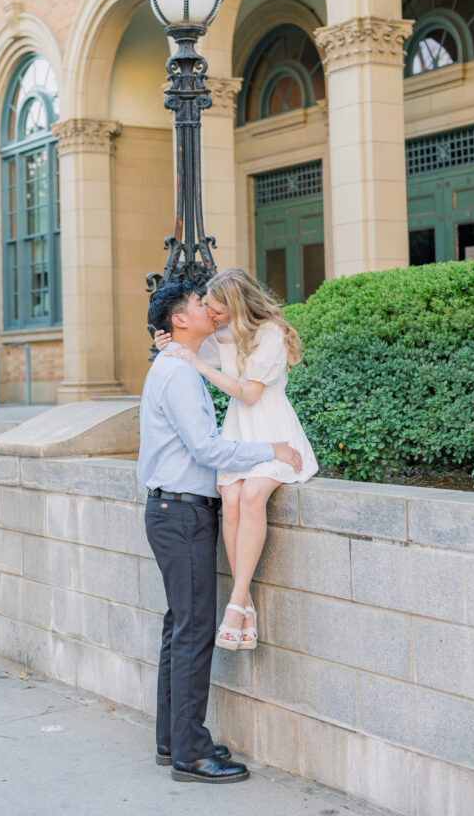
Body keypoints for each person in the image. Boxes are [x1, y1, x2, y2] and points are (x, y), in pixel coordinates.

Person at [139, 279, 302, 784]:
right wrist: (270, 450)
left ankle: (173, 739)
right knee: (192, 631)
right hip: (182, 513)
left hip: (172, 510)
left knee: (179, 626)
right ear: (180, 321)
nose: (208, 309)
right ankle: (191, 752)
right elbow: (209, 450)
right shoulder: (179, 374)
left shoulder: (173, 363)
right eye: (197, 304)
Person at [155, 268, 317, 651]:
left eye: (215, 307)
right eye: (207, 307)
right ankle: (244, 606)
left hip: (273, 430)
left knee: (251, 496)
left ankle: (237, 601)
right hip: (238, 432)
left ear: (236, 305)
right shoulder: (219, 337)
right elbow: (189, 349)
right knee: (229, 501)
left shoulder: (271, 335)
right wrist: (168, 341)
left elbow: (248, 394)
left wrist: (200, 366)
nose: (210, 313)